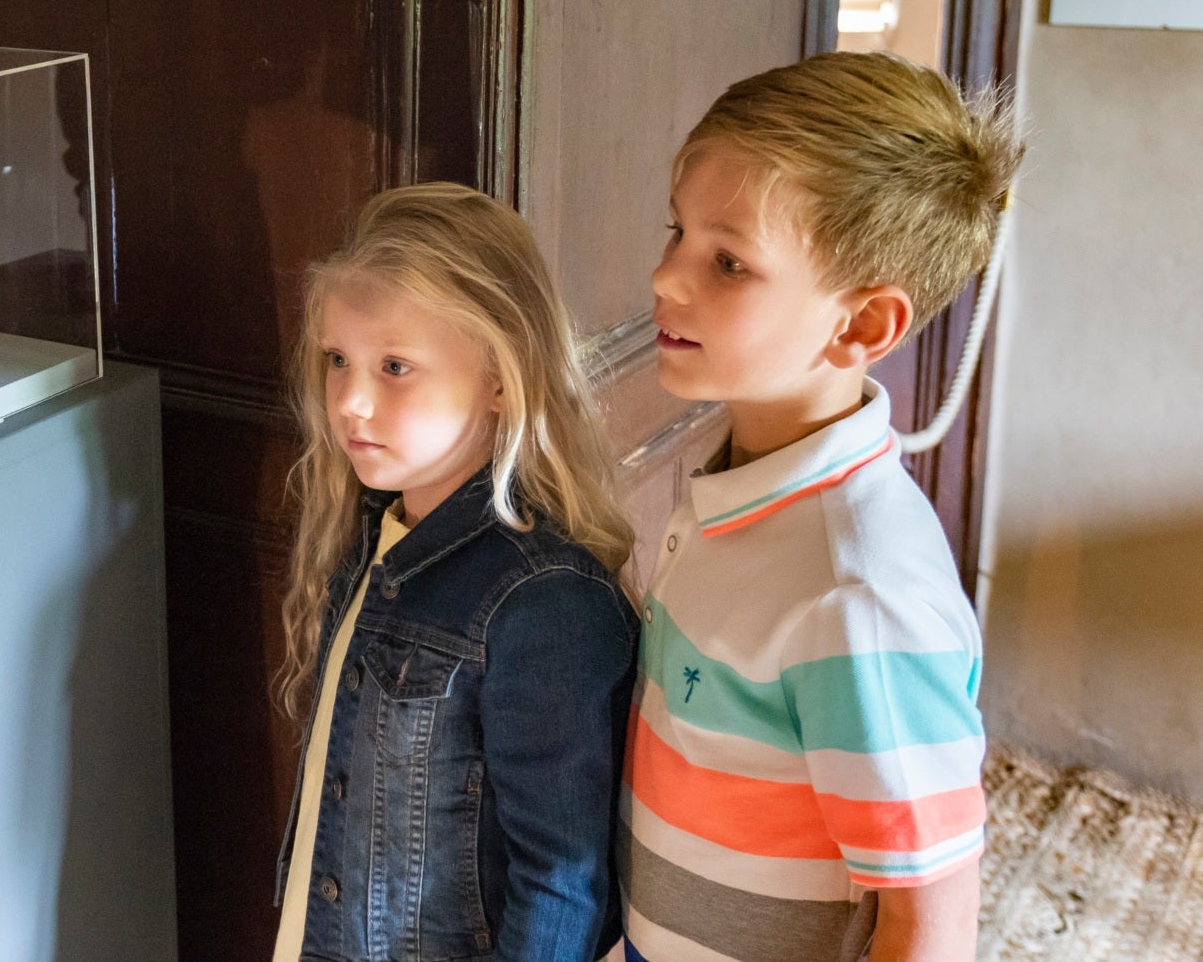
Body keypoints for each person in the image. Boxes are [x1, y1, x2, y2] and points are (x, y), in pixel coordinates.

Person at [625, 52, 1017, 962]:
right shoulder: (744, 487)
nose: (666, 278)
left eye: (727, 262)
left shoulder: (858, 597)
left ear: (860, 327)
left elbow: (930, 924)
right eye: (676, 232)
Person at [268, 183, 641, 962]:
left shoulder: (544, 598)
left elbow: (560, 881)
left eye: (395, 367)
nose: (351, 404)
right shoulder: (374, 538)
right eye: (339, 360)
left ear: (502, 376)